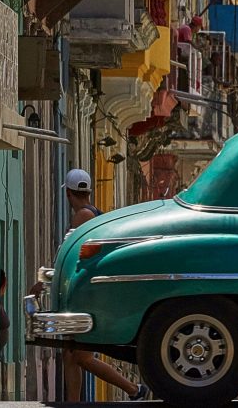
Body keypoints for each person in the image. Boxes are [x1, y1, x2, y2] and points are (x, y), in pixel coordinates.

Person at [56, 169, 149, 402]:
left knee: (81, 355)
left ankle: (134, 390)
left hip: (84, 295)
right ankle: (73, 402)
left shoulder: (82, 217)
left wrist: (46, 280)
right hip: (89, 293)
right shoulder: (96, 214)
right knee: (71, 355)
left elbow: (69, 256)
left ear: (68, 193)